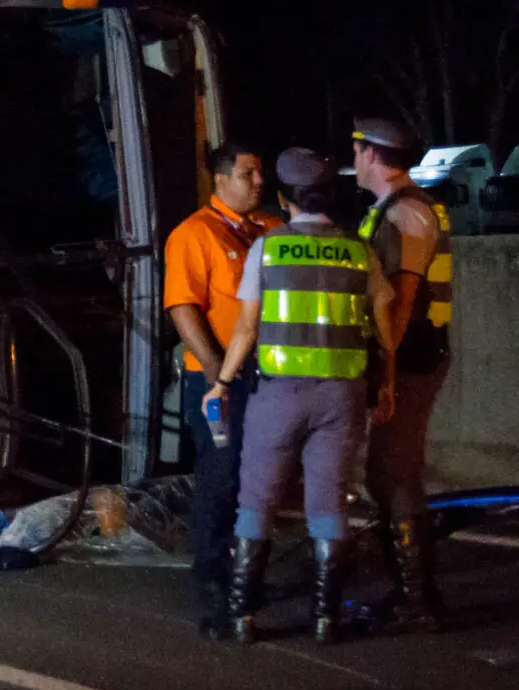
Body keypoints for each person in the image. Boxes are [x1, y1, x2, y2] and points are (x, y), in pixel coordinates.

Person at [202, 148, 395, 644]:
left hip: (279, 395)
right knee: (329, 504)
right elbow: (383, 322)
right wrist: (387, 380)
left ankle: (242, 617)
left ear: (286, 200)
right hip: (342, 394)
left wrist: (221, 382)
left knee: (257, 501)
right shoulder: (358, 250)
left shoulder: (269, 249)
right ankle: (325, 618)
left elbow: (246, 328)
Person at [163, 142, 280, 625]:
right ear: (222, 179)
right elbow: (183, 307)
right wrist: (216, 372)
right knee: (221, 473)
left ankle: (247, 568)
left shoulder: (270, 231)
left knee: (260, 478)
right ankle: (213, 573)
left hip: (271, 376)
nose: (259, 182)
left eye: (260, 173)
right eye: (249, 173)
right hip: (220, 379)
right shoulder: (195, 234)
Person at [351, 116, 455, 631]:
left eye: (355, 149)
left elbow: (402, 299)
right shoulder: (398, 210)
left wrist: (386, 376)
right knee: (390, 472)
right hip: (410, 355)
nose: (352, 159)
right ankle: (410, 595)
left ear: (371, 154)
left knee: (394, 473)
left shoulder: (406, 214)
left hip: (410, 357)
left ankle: (418, 601)